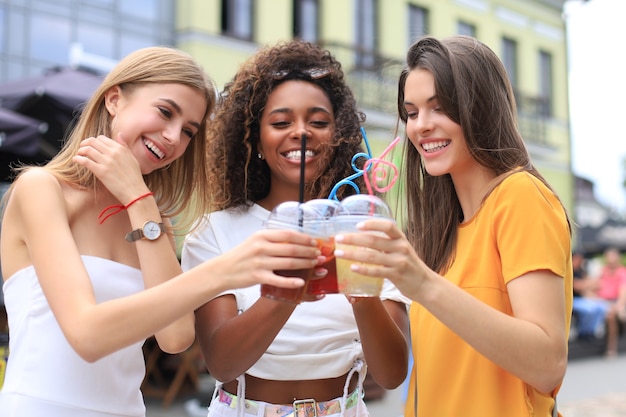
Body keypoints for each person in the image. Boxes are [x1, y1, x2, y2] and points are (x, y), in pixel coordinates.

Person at [0, 46, 322, 417]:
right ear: (115, 99)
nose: (173, 137)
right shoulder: (42, 189)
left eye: (188, 131)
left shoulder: (149, 217)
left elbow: (175, 337)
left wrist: (139, 201)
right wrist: (227, 270)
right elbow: (86, 335)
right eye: (165, 112)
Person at [332, 36, 573, 417]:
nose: (421, 126)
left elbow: (547, 364)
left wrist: (422, 284)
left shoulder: (520, 196)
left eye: (439, 108)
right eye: (411, 113)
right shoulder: (439, 228)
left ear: (480, 108)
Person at [181, 39, 410, 417]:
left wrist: (362, 292)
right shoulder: (215, 232)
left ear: (339, 137)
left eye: (319, 122)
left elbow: (391, 374)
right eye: (281, 122)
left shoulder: (366, 229)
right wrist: (286, 291)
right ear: (254, 139)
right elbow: (222, 363)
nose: (301, 132)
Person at [591, 247, 626, 357]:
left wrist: (618, 306)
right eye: (609, 256)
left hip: (615, 302)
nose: (611, 259)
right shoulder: (603, 271)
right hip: (602, 302)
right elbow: (595, 287)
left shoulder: (622, 272)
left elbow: (623, 292)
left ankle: (612, 347)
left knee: (611, 315)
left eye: (613, 256)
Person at [571, 251, 608, 340]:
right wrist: (586, 284)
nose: (580, 261)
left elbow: (596, 285)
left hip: (582, 299)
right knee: (589, 310)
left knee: (601, 308)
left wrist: (586, 285)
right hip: (572, 300)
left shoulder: (581, 271)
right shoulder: (570, 271)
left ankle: (590, 332)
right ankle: (582, 333)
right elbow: (576, 286)